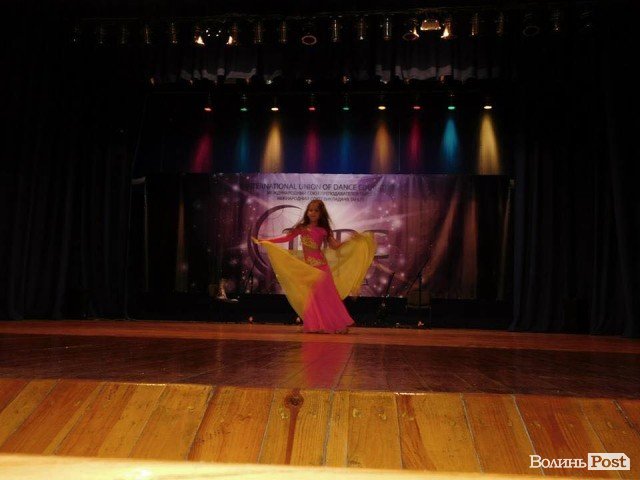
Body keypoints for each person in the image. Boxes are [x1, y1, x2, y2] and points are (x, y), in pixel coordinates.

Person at [253, 199, 375, 333]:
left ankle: (337, 325)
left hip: (322, 268)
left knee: (327, 297)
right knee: (313, 298)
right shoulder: (302, 228)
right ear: (307, 212)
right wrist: (267, 241)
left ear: (321, 213)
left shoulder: (324, 229)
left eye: (316, 210)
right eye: (310, 210)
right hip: (309, 268)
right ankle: (315, 325)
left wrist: (349, 240)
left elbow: (335, 246)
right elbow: (286, 238)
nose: (313, 213)